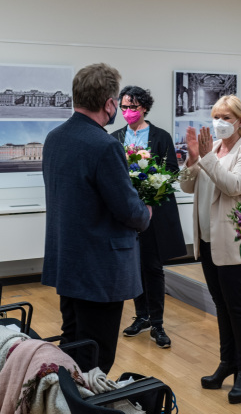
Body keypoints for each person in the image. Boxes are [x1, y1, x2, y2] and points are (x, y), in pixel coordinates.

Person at [42, 63, 152, 374]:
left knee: (73, 345)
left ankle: (66, 403)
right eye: (117, 100)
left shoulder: (54, 138)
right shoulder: (104, 146)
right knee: (97, 359)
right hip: (100, 271)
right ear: (109, 104)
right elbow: (129, 211)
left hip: (68, 261)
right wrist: (146, 212)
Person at [179, 95, 241, 405]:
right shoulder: (210, 150)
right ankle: (228, 363)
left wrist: (206, 157)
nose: (219, 122)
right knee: (222, 304)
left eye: (227, 117)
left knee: (238, 307)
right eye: (216, 116)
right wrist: (191, 159)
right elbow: (187, 187)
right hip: (208, 241)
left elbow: (234, 186)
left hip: (237, 243)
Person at [111, 85, 187, 348]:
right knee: (133, 266)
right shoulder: (115, 136)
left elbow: (172, 171)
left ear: (144, 107)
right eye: (124, 107)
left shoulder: (161, 136)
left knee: (153, 267)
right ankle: (141, 316)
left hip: (153, 212)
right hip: (127, 214)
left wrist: (151, 186)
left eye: (133, 107)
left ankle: (157, 323)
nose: (128, 112)